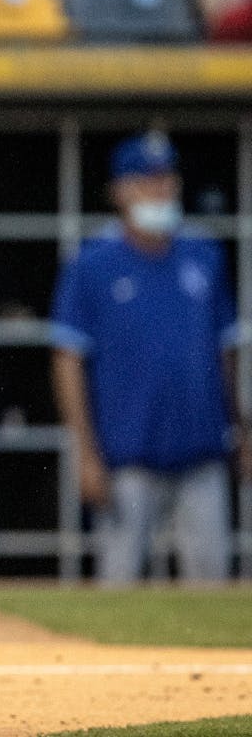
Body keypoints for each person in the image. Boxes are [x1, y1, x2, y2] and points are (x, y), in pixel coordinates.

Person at [51, 131, 250, 584]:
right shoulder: (92, 263)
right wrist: (85, 454)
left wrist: (240, 428)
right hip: (127, 458)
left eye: (166, 180)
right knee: (119, 582)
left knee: (212, 588)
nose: (159, 191)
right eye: (146, 181)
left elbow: (227, 352)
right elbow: (68, 360)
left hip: (202, 453)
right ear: (120, 191)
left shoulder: (204, 255)